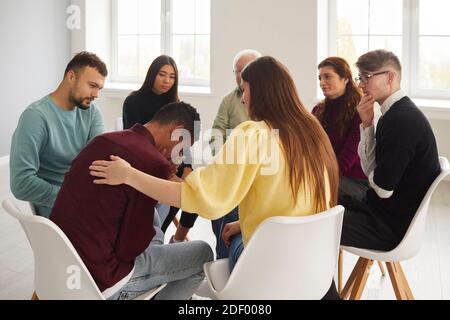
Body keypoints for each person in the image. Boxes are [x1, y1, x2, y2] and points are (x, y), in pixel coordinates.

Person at [89, 56, 341, 298]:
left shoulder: (253, 134)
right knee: (234, 225)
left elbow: (202, 198)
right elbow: (296, 199)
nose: (242, 99)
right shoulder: (312, 133)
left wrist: (130, 175)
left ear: (262, 92)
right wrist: (244, 224)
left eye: (245, 90)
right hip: (312, 267)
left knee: (214, 237)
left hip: (266, 269)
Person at [50, 102, 213, 300]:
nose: (179, 156)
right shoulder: (154, 163)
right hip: (104, 280)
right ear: (178, 132)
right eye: (182, 148)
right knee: (202, 254)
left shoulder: (103, 140)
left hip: (62, 268)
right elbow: (130, 249)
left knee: (154, 222)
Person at [340, 50, 440, 251]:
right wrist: (367, 124)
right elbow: (373, 173)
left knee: (314, 225)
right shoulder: (392, 114)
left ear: (390, 77)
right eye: (361, 77)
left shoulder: (403, 120)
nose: (360, 84)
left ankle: (325, 284)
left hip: (388, 226)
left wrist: (372, 175)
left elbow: (382, 189)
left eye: (366, 77)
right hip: (378, 210)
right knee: (320, 202)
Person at [172, 49, 262, 257]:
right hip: (231, 167)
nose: (240, 76)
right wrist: (226, 160)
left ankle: (225, 262)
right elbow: (216, 133)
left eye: (245, 71)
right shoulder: (230, 100)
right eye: (237, 71)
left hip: (252, 174)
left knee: (222, 200)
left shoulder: (262, 123)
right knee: (217, 200)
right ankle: (222, 257)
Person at [10, 52, 107, 218]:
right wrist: (72, 197)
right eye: (92, 85)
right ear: (71, 76)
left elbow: (98, 163)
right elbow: (21, 183)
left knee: (142, 214)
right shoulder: (35, 117)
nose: (96, 94)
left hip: (87, 199)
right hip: (61, 209)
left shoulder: (92, 113)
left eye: (99, 88)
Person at [122, 55, 196, 242]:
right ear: (152, 74)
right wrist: (164, 166)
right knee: (177, 193)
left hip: (173, 161)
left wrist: (187, 167)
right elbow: (133, 140)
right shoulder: (133, 101)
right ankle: (156, 237)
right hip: (147, 162)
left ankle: (177, 238)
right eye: (162, 74)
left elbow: (184, 139)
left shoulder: (176, 104)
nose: (167, 81)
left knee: (195, 191)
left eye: (172, 77)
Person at [313, 57, 368, 201]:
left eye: (327, 77)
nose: (321, 83)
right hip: (327, 174)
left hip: (354, 182)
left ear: (345, 78)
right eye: (320, 78)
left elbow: (347, 159)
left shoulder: (360, 112)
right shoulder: (318, 110)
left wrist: (319, 178)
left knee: (308, 187)